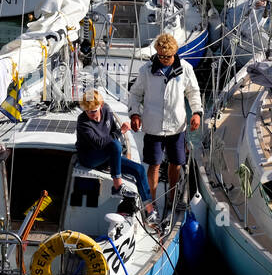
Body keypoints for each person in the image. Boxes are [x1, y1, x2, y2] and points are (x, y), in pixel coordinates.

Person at [127, 34, 203, 217]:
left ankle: (172, 197)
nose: (163, 60)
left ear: (174, 54)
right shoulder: (146, 70)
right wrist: (135, 114)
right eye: (160, 56)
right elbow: (135, 94)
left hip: (177, 126)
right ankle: (151, 203)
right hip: (153, 126)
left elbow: (193, 92)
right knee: (154, 164)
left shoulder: (185, 69)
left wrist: (197, 113)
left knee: (176, 163)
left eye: (167, 57)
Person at [76, 89, 150, 201]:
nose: (90, 114)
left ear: (101, 106)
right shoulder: (82, 121)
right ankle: (117, 187)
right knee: (115, 145)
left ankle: (149, 207)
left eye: (93, 111)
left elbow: (113, 130)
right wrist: (121, 131)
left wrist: (118, 135)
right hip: (89, 158)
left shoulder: (106, 109)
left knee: (139, 170)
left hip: (107, 156)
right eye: (87, 111)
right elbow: (99, 143)